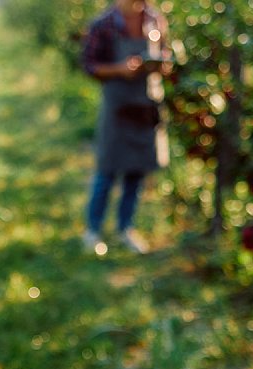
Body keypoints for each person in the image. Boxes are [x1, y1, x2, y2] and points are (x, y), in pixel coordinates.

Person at [79, 0, 172, 255]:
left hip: (145, 103)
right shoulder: (104, 25)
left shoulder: (155, 20)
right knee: (107, 170)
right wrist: (119, 69)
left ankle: (125, 229)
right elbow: (88, 65)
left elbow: (168, 56)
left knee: (136, 171)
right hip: (118, 105)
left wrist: (159, 63)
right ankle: (93, 230)